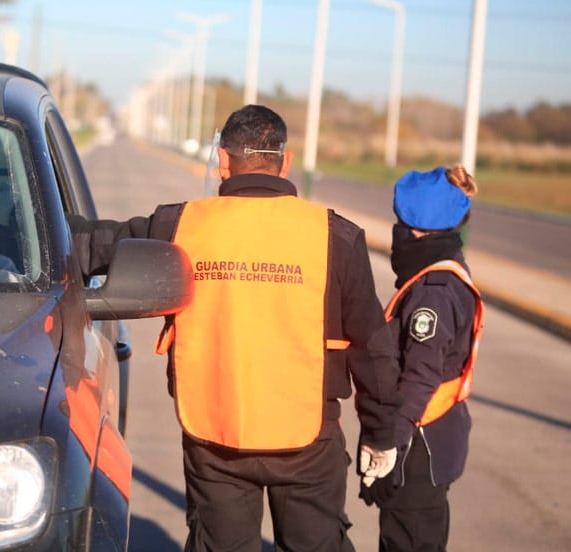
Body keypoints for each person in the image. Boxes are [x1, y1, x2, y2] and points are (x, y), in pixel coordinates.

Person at [68, 104, 401, 551]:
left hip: (213, 432)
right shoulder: (335, 236)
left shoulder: (180, 224)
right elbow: (372, 347)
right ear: (286, 160)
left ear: (222, 160)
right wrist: (380, 434)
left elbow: (100, 244)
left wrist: (31, 235)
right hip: (306, 437)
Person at [361, 166, 485, 551]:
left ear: (415, 228)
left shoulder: (434, 290)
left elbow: (420, 375)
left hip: (420, 445)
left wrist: (387, 444)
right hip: (431, 437)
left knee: (409, 541)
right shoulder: (442, 272)